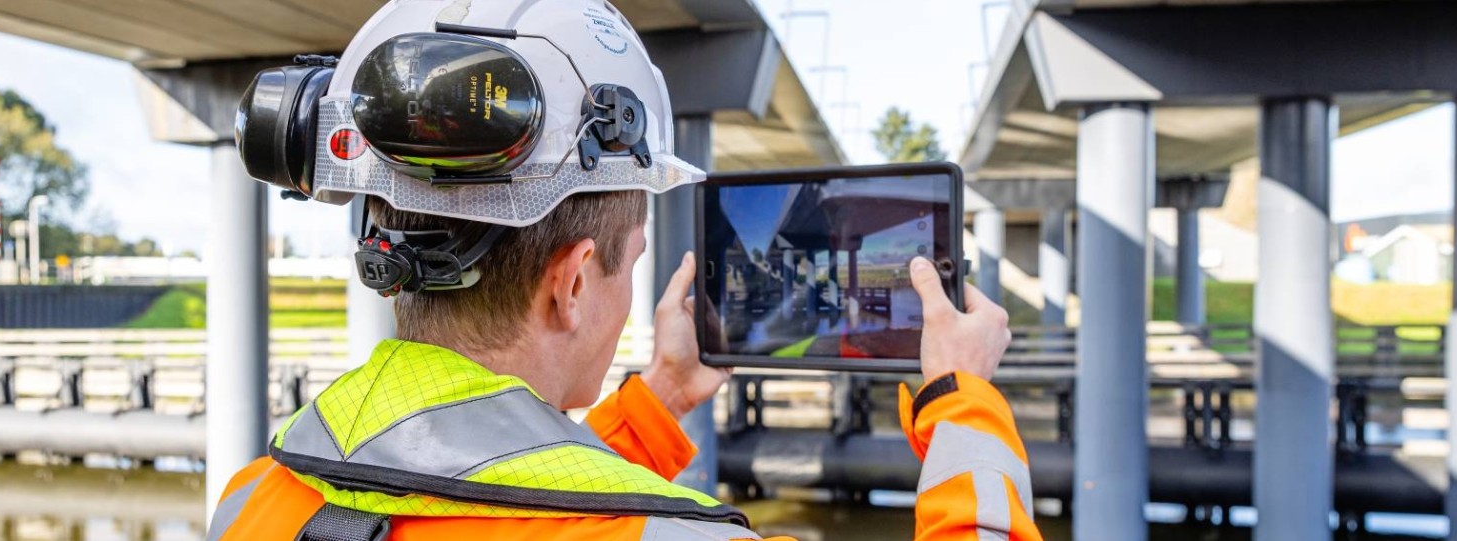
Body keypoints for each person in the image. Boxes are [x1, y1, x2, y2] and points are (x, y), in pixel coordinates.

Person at [210, 1, 1039, 539]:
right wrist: (961, 402)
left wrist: (661, 398)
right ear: (572, 283)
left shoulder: (259, 499)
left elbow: (503, 487)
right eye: (630, 263)